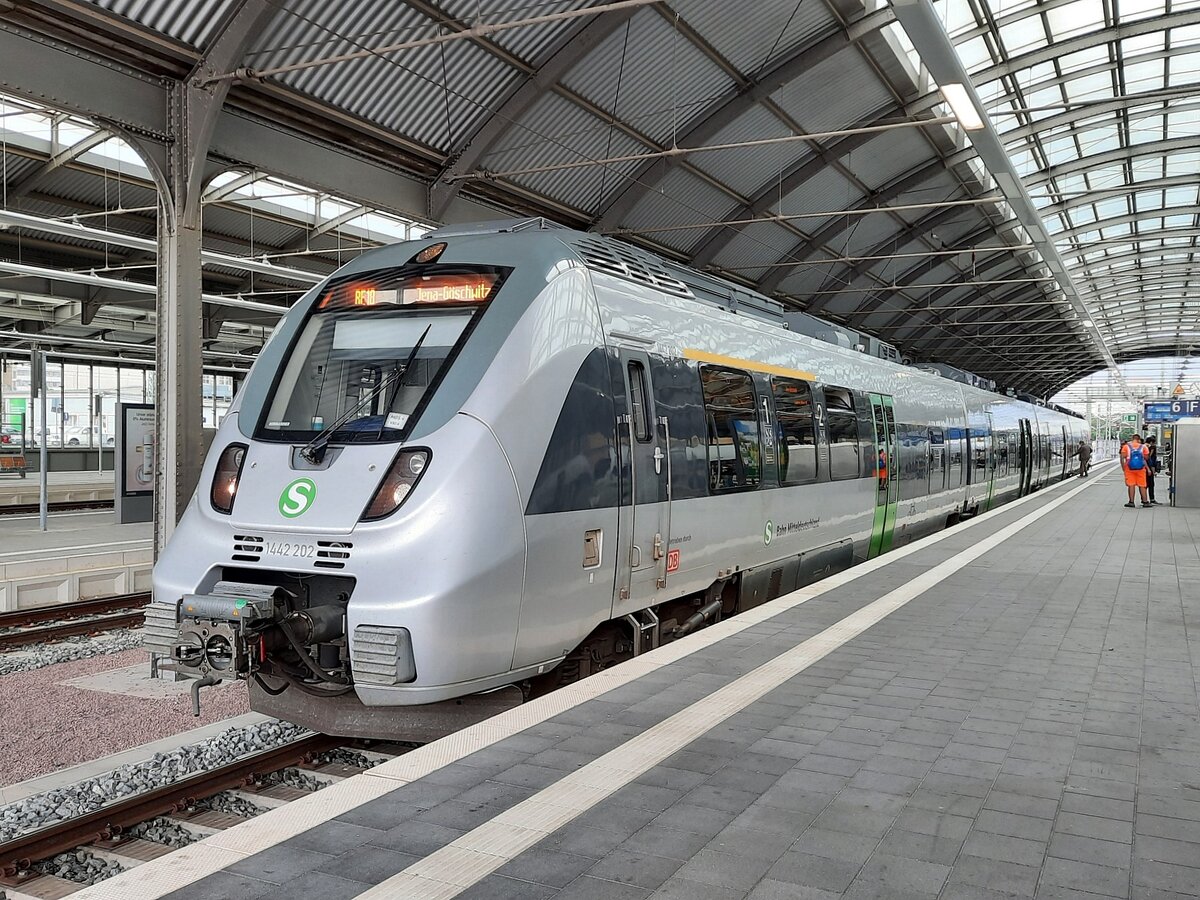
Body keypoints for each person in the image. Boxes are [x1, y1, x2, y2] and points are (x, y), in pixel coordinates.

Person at [1121, 433, 1151, 508]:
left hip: (1129, 468)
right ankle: (1145, 502)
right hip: (1141, 469)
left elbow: (1122, 458)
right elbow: (1146, 458)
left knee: (1131, 485)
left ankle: (1131, 502)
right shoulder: (1144, 447)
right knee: (1142, 485)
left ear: (1132, 439)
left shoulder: (1126, 446)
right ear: (1139, 439)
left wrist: (1123, 468)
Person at [1145, 435, 1160, 504]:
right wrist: (1153, 470)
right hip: (1149, 467)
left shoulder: (1143, 447)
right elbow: (1149, 457)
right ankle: (1151, 499)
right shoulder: (1151, 447)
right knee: (1150, 484)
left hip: (1144, 468)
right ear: (1151, 442)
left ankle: (1144, 499)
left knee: (1146, 484)